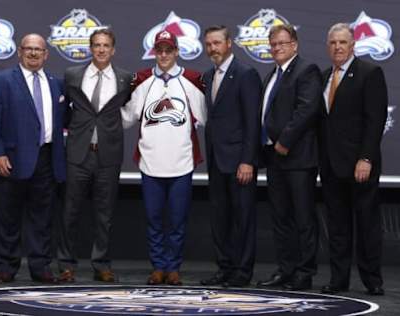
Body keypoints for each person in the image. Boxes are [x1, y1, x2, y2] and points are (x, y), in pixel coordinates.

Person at [121, 30, 206, 286]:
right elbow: (127, 118)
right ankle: (158, 266)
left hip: (181, 163)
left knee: (178, 220)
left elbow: (205, 117)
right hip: (150, 163)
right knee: (154, 219)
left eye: (169, 50)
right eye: (160, 50)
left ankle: (174, 267)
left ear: (177, 52)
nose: (165, 55)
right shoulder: (143, 81)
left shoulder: (191, 80)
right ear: (154, 52)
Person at [0, 33, 66, 283]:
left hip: (47, 159)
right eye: (28, 49)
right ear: (19, 52)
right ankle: (7, 268)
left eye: (38, 50)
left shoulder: (56, 83)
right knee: (8, 217)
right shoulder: (1, 80)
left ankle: (40, 267)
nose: (33, 53)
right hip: (10, 160)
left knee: (42, 218)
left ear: (46, 54)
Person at [57, 28, 132, 283]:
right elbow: (64, 111)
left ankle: (101, 264)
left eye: (106, 45)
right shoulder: (72, 75)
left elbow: (127, 112)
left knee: (105, 214)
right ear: (90, 48)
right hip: (78, 154)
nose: (101, 49)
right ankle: (66, 265)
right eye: (97, 45)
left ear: (113, 50)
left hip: (108, 155)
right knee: (70, 211)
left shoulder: (124, 79)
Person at [320, 23, 387, 296]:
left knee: (366, 223)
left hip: (360, 165)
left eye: (343, 42)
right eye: (333, 42)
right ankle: (339, 279)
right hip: (331, 165)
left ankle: (373, 280)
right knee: (337, 226)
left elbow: (375, 120)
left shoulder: (370, 73)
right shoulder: (325, 76)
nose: (337, 47)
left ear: (353, 45)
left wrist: (366, 158)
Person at [257, 25, 322, 291]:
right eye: (273, 45)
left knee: (303, 218)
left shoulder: (306, 70)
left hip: (297, 157)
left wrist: (284, 141)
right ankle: (286, 270)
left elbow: (307, 109)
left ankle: (304, 273)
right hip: (274, 158)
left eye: (282, 43)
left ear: (294, 44)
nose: (277, 48)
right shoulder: (272, 74)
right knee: (281, 218)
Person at [200, 25, 262, 288]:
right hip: (216, 161)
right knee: (220, 219)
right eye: (209, 44)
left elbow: (252, 122)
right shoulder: (208, 75)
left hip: (239, 162)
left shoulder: (245, 74)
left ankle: (242, 271)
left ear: (229, 44)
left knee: (243, 219)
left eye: (217, 43)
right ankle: (224, 268)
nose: (213, 48)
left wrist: (248, 159)